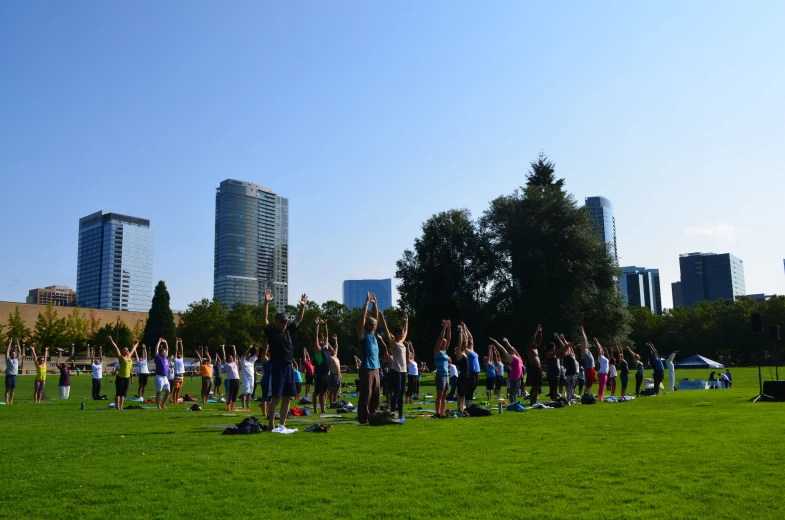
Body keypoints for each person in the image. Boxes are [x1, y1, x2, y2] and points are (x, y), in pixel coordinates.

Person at [262, 289, 306, 431]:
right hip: (277, 367)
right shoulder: (272, 332)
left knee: (287, 397)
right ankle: (271, 424)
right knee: (276, 398)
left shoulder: (287, 331)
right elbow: (264, 320)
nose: (285, 324)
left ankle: (283, 424)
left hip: (288, 367)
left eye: (286, 322)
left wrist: (302, 307)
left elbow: (298, 320)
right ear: (276, 321)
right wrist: (266, 303)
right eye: (283, 322)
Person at [378, 312, 409, 420]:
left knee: (401, 393)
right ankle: (391, 413)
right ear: (396, 334)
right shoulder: (394, 343)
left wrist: (406, 321)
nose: (403, 334)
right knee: (396, 393)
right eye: (401, 333)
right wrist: (382, 318)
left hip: (403, 371)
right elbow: (386, 332)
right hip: (396, 371)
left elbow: (406, 332)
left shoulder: (402, 342)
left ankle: (400, 414)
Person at [356, 292, 382, 425]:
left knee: (376, 395)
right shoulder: (363, 335)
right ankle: (363, 418)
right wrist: (366, 303)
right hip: (366, 369)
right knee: (366, 395)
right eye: (371, 324)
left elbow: (375, 317)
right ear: (366, 325)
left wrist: (375, 304)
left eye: (374, 324)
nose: (374, 326)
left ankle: (374, 415)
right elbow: (363, 317)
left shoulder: (374, 335)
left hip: (376, 368)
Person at [490, 337, 523, 404]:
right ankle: (512, 405)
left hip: (519, 376)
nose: (513, 348)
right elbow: (502, 349)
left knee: (515, 393)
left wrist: (507, 342)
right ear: (510, 351)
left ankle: (515, 404)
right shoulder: (510, 357)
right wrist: (495, 341)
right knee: (512, 393)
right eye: (512, 349)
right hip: (514, 376)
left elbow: (512, 348)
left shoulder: (517, 356)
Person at [107, 336, 137, 411]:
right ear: (122, 351)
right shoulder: (121, 358)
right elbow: (116, 348)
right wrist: (111, 341)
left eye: (127, 350)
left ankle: (121, 407)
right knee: (118, 393)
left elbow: (133, 349)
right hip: (120, 378)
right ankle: (118, 407)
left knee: (123, 394)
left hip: (126, 378)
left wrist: (136, 343)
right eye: (125, 350)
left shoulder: (129, 357)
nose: (127, 351)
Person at [432, 320, 451, 418]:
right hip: (440, 375)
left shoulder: (444, 352)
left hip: (446, 375)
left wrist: (449, 329)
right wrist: (444, 328)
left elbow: (449, 339)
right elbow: (441, 339)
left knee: (444, 395)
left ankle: (442, 413)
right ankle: (438, 413)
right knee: (439, 395)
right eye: (443, 343)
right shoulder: (436, 351)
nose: (444, 344)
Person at [312, 319, 332, 414]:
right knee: (317, 392)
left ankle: (323, 409)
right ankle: (316, 409)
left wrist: (326, 326)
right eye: (321, 340)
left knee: (324, 392)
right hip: (319, 374)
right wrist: (317, 326)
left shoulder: (326, 348)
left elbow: (327, 336)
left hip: (327, 374)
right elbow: (315, 337)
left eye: (323, 339)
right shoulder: (318, 349)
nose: (322, 340)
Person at [554, 333, 578, 402]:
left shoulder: (571, 355)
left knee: (571, 387)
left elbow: (568, 347)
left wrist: (563, 339)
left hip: (573, 373)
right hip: (570, 373)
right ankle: (568, 399)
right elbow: (565, 346)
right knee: (569, 387)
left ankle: (569, 398)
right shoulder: (565, 355)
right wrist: (559, 339)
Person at [453, 323, 469, 413]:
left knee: (463, 394)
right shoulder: (459, 354)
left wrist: (464, 329)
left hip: (466, 375)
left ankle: (462, 407)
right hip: (462, 375)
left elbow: (466, 340)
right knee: (460, 393)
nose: (465, 346)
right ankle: (459, 408)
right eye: (464, 345)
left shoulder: (465, 353)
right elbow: (460, 343)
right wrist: (460, 333)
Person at [526, 324, 543, 406]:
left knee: (537, 387)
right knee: (534, 386)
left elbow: (539, 340)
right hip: (533, 369)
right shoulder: (530, 349)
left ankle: (535, 402)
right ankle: (531, 402)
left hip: (538, 368)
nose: (536, 343)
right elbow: (533, 340)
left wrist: (540, 332)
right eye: (534, 342)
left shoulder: (536, 349)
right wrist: (536, 331)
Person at [464, 324, 480, 406]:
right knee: (469, 389)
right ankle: (468, 405)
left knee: (473, 388)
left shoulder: (472, 350)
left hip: (476, 372)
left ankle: (469, 404)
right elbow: (466, 339)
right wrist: (463, 331)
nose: (471, 342)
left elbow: (471, 337)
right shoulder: (466, 350)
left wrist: (465, 327)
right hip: (471, 371)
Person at [153, 339, 171, 409]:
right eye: (163, 352)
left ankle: (163, 404)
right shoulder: (158, 357)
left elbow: (167, 349)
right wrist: (159, 342)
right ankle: (158, 406)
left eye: (165, 352)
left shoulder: (165, 358)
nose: (164, 353)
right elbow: (156, 349)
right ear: (160, 352)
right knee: (159, 392)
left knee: (168, 392)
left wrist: (166, 342)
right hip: (159, 377)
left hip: (165, 377)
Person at [239, 344, 259, 409]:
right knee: (244, 392)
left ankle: (248, 404)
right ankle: (243, 405)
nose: (249, 355)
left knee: (250, 392)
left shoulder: (251, 361)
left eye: (249, 354)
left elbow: (256, 354)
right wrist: (249, 347)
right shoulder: (243, 361)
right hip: (246, 379)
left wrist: (257, 349)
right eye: (248, 354)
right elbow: (243, 355)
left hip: (251, 379)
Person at [222, 345, 240, 411]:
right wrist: (223, 348)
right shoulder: (226, 364)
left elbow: (235, 355)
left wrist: (234, 347)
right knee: (230, 394)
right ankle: (228, 407)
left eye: (232, 358)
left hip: (237, 379)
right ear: (227, 359)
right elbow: (224, 356)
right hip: (230, 380)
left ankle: (232, 408)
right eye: (230, 358)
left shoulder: (234, 363)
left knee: (235, 393)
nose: (231, 359)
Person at [578, 326, 595, 395]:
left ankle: (588, 394)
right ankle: (585, 395)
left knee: (590, 383)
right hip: (589, 369)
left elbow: (586, 340)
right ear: (580, 348)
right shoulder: (583, 352)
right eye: (580, 345)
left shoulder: (586, 350)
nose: (582, 344)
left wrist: (584, 332)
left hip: (591, 368)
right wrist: (582, 331)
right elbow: (584, 341)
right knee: (588, 383)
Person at [5, 339, 20, 405]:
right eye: (12, 354)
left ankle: (11, 402)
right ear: (10, 354)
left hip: (14, 376)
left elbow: (19, 351)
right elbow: (7, 351)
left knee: (12, 390)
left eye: (14, 354)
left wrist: (18, 343)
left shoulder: (17, 359)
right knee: (7, 389)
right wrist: (10, 343)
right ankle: (7, 402)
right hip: (9, 376)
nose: (14, 355)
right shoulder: (8, 360)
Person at [328, 334, 342, 404]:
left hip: (338, 375)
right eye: (332, 350)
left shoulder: (335, 356)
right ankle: (331, 403)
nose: (334, 350)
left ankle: (334, 402)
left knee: (336, 390)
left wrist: (335, 340)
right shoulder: (329, 357)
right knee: (332, 390)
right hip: (333, 375)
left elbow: (336, 347)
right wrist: (326, 342)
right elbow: (329, 348)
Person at [171, 338, 186, 405]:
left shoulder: (181, 359)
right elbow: (176, 350)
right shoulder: (175, 359)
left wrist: (181, 342)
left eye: (180, 354)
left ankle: (176, 401)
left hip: (181, 376)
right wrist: (177, 343)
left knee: (179, 389)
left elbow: (182, 350)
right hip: (177, 376)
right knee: (175, 389)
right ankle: (174, 401)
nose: (179, 354)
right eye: (178, 354)